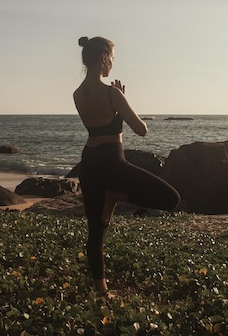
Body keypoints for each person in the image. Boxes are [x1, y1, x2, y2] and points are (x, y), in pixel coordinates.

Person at [73, 36, 180, 295]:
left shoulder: (77, 94)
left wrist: (118, 105)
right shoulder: (112, 93)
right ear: (103, 58)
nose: (112, 63)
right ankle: (117, 194)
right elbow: (142, 130)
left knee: (95, 231)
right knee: (171, 199)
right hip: (112, 161)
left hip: (89, 162)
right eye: (112, 57)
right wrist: (121, 99)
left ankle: (101, 289)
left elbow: (100, 122)